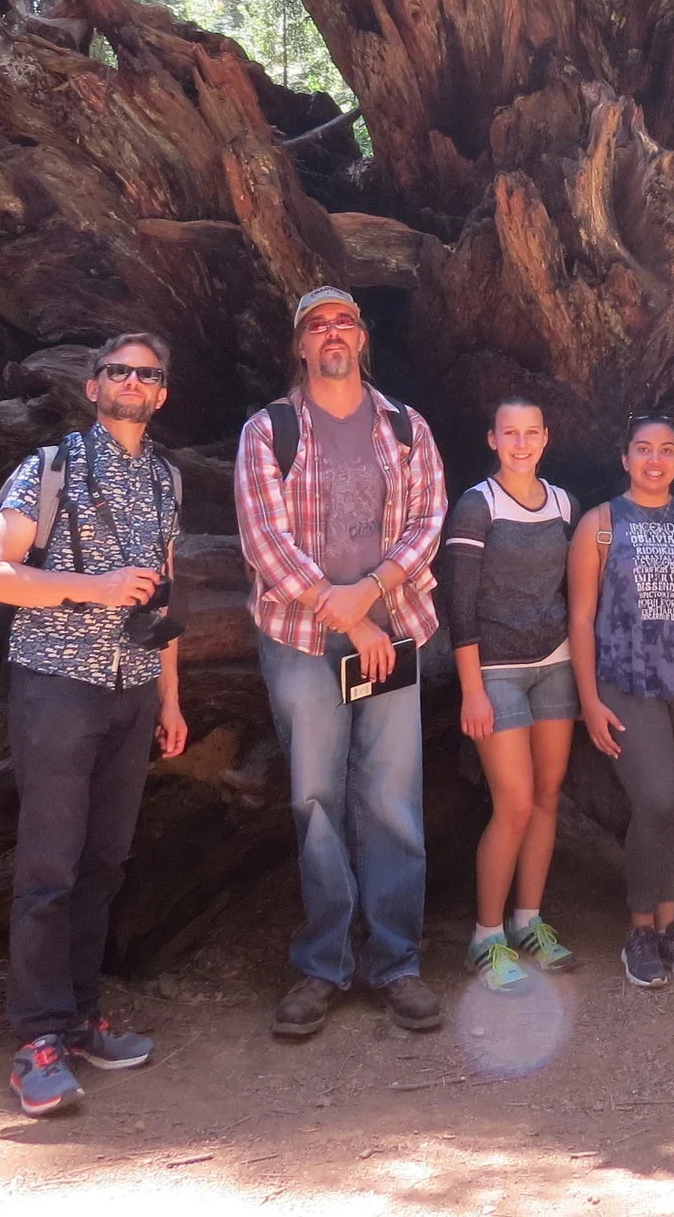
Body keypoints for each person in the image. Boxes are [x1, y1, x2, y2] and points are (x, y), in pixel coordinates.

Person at [0, 332, 190, 1118]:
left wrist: (170, 696)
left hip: (132, 690)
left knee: (104, 864)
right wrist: (91, 586)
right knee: (49, 868)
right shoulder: (49, 469)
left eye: (147, 374)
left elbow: (165, 597)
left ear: (161, 393)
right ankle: (35, 1040)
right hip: (58, 685)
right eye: (118, 371)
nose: (132, 382)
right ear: (94, 386)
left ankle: (82, 1015)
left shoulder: (166, 479)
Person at [236, 285, 448, 1039]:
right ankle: (324, 962)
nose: (332, 333)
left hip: (393, 627)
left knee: (392, 798)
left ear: (362, 339)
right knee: (316, 800)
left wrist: (373, 596)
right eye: (316, 324)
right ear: (300, 345)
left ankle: (397, 961)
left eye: (345, 321)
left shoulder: (405, 426)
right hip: (301, 639)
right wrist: (347, 612)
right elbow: (266, 542)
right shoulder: (270, 431)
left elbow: (428, 521)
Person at [567, 413, 674, 989]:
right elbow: (582, 616)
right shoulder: (600, 524)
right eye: (643, 449)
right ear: (625, 458)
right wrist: (588, 697)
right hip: (626, 683)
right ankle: (640, 929)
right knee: (657, 798)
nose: (655, 460)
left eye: (666, 449)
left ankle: (670, 926)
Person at [437, 396, 581, 994]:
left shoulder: (563, 503)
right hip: (496, 670)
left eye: (531, 433)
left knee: (547, 797)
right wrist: (471, 689)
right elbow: (459, 605)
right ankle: (486, 936)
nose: (521, 443)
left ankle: (529, 921)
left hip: (556, 665)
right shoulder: (478, 505)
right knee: (514, 804)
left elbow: (576, 587)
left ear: (545, 438)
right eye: (509, 434)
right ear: (492, 439)